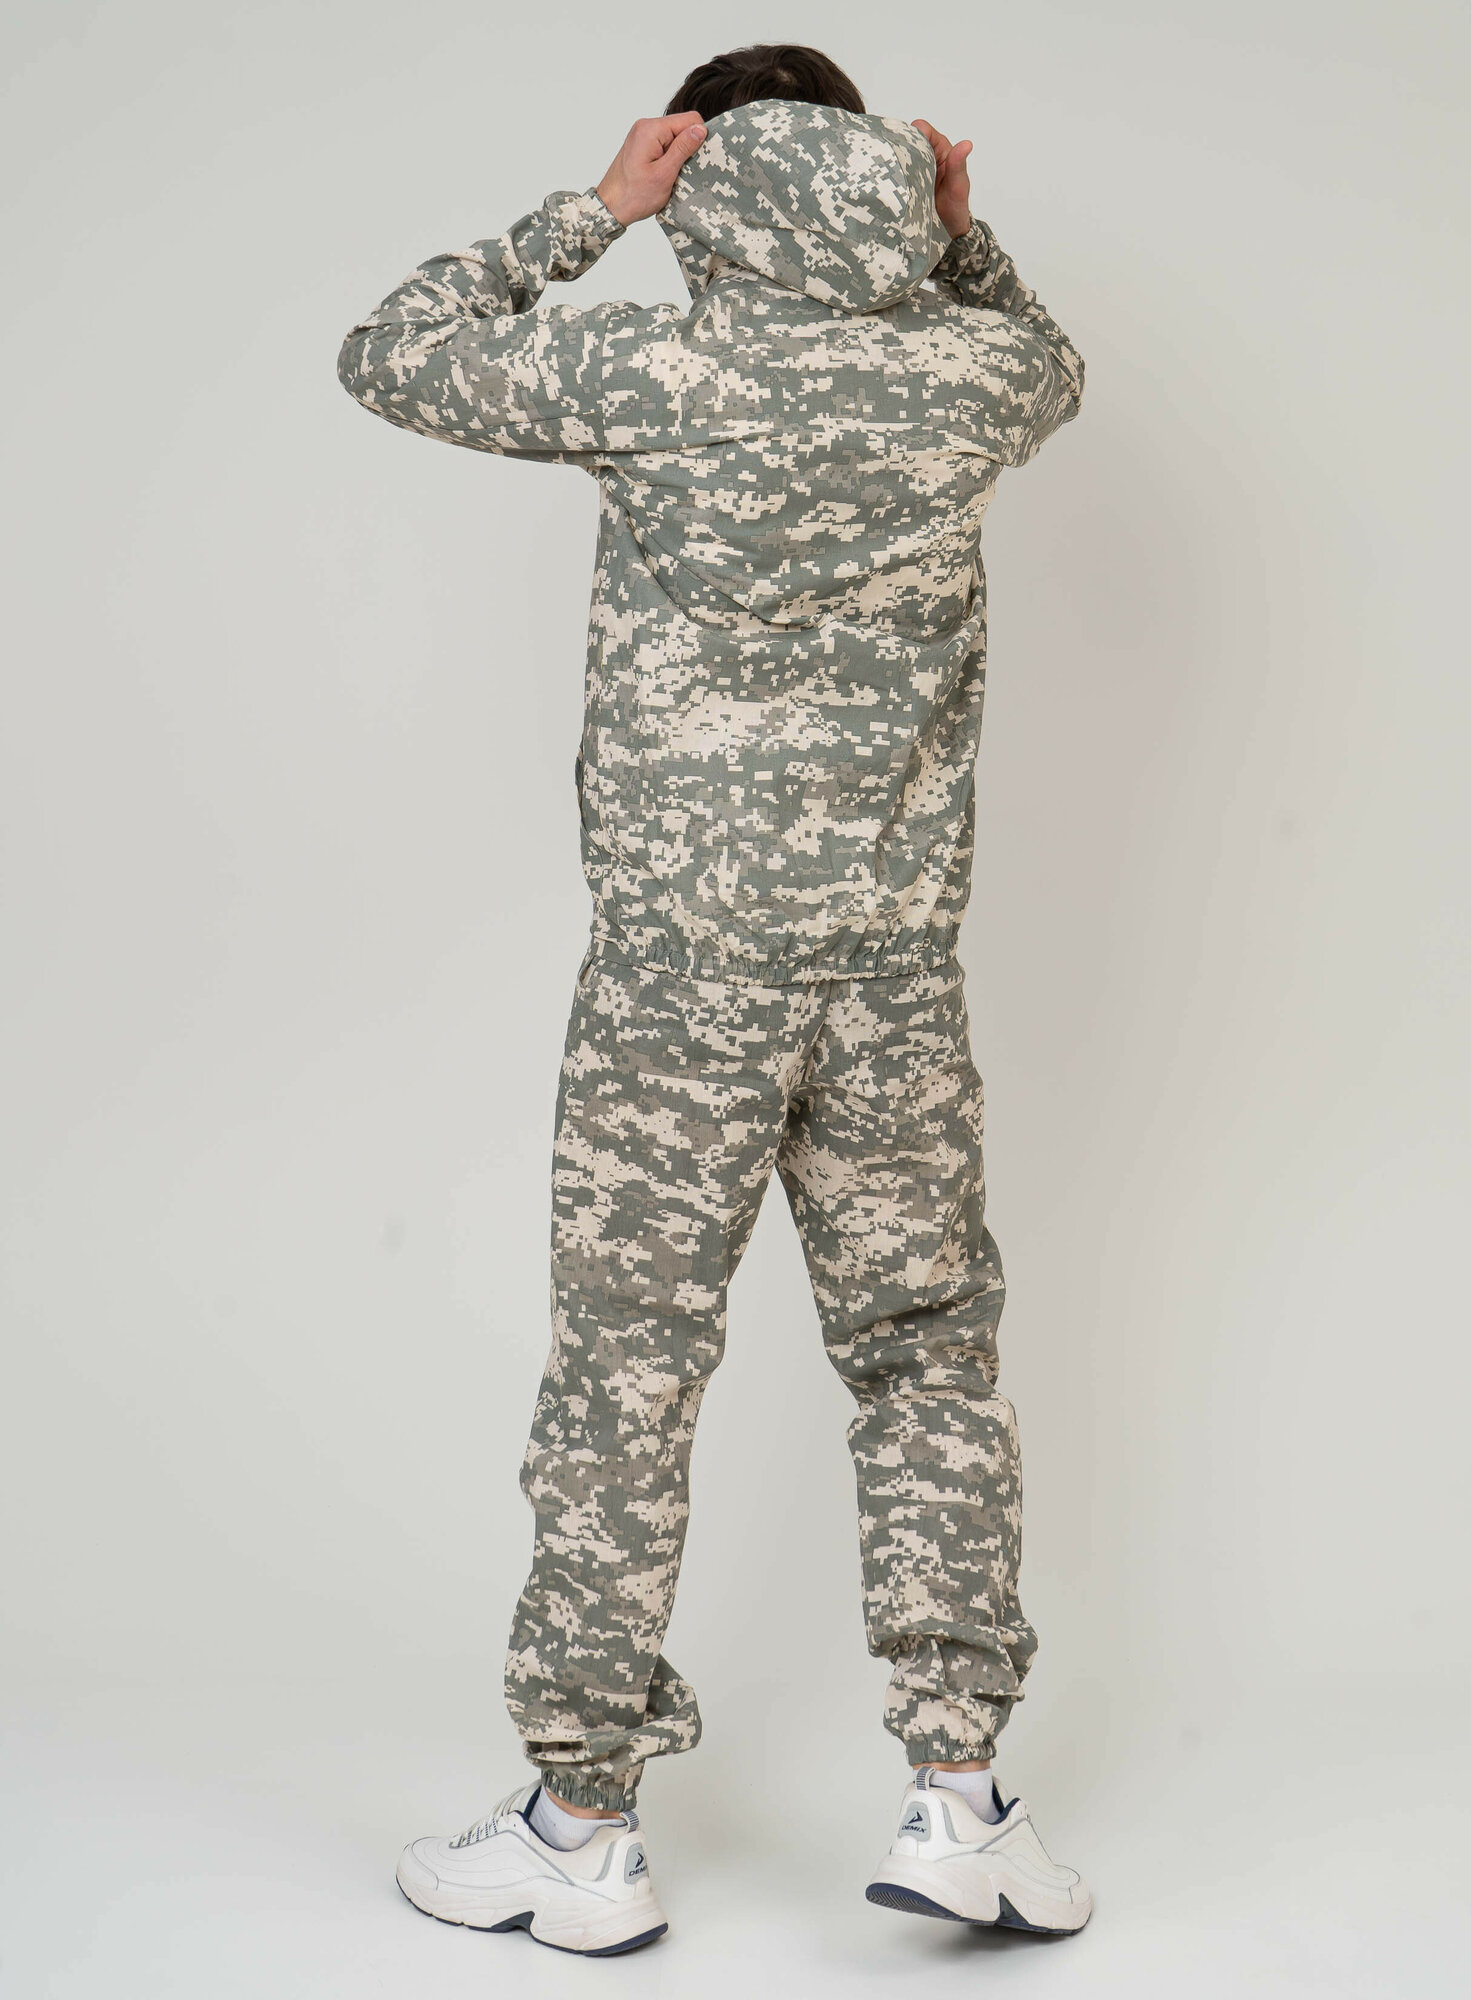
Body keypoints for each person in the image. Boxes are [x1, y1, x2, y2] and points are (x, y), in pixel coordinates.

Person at [337, 41, 1089, 1957]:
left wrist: (592, 215)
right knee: (927, 1358)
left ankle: (582, 1829)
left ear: (703, 173)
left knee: (628, 1367)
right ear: (875, 168)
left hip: (683, 980)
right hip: (892, 974)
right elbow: (1052, 357)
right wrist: (955, 239)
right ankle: (961, 1800)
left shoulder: (644, 369)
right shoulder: (965, 375)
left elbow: (390, 350)